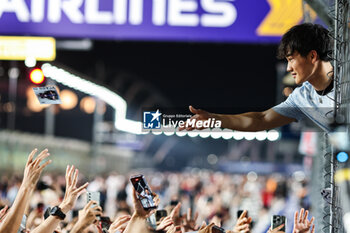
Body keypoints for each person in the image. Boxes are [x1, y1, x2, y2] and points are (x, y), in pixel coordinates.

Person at [183, 23, 335, 133]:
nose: (289, 68)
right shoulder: (302, 98)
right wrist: (214, 118)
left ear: (312, 56)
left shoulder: (344, 76)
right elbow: (260, 120)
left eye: (291, 59)